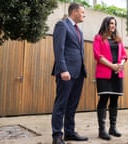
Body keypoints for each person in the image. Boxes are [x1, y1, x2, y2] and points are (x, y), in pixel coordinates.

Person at [51, 3, 88, 144]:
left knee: (72, 105)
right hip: (66, 72)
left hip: (78, 73)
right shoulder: (62, 25)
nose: (84, 14)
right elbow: (58, 49)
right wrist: (63, 69)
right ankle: (56, 135)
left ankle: (70, 132)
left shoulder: (79, 30)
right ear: (74, 12)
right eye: (82, 12)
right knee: (61, 104)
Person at [93, 16, 128, 140]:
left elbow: (124, 55)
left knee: (114, 100)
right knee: (104, 99)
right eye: (111, 23)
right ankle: (102, 130)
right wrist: (112, 66)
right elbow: (98, 55)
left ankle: (112, 128)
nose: (113, 26)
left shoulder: (118, 40)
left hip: (117, 73)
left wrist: (120, 65)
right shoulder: (98, 38)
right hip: (104, 73)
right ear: (106, 24)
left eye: (114, 24)